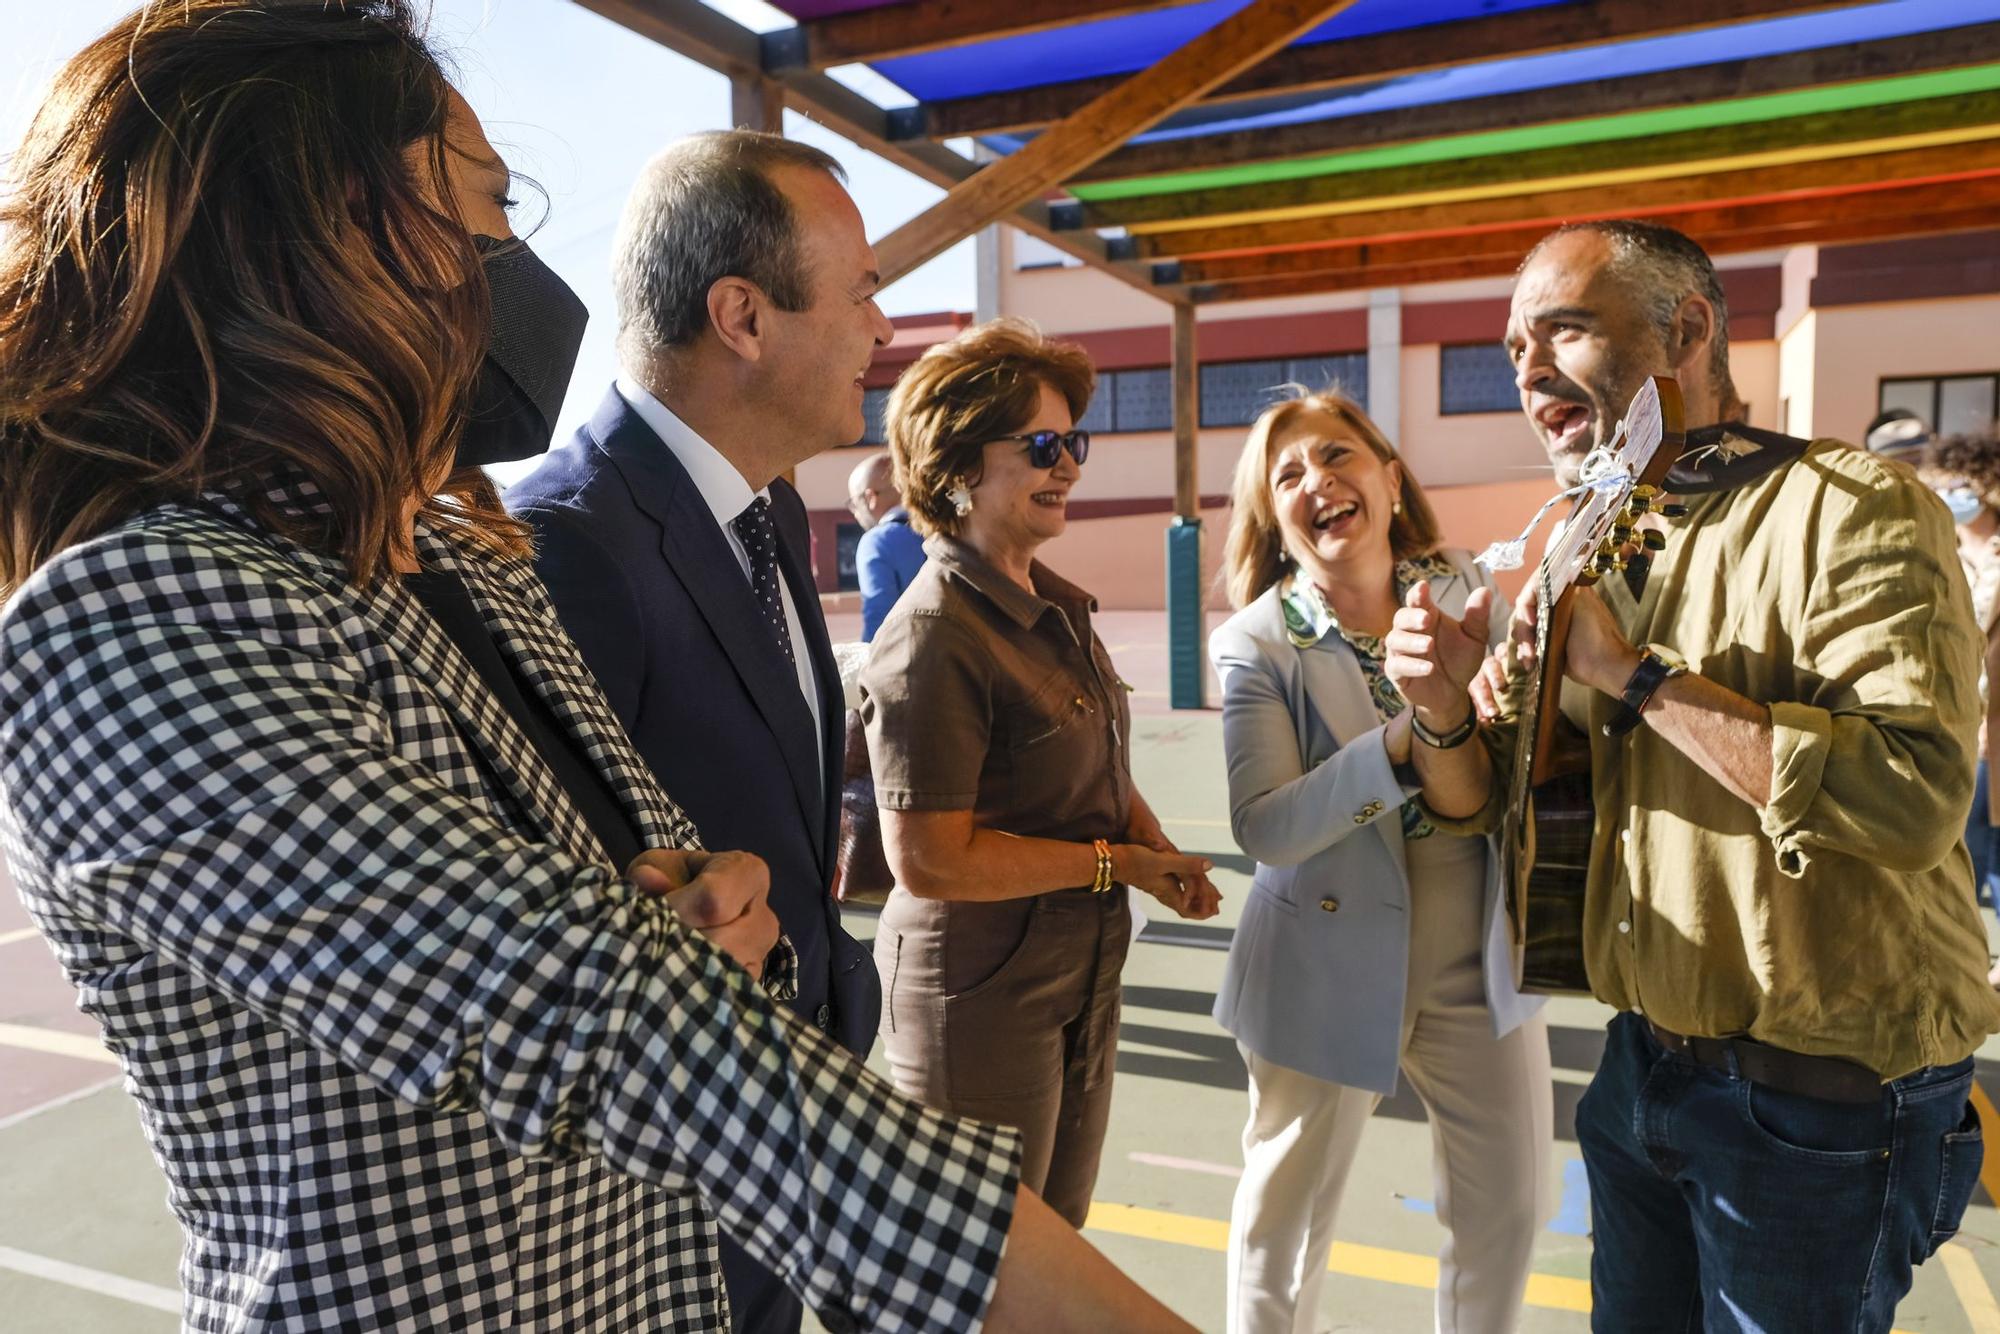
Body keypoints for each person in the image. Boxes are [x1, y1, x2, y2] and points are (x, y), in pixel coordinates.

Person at [0, 6, 1198, 1331]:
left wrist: (685, 910)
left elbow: (614, 913)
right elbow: (609, 1019)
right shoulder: (136, 617)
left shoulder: (453, 558)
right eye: (483, 210)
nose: (515, 266)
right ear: (321, 243)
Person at [1395, 219, 2000, 1330]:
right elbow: (1503, 813)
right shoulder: (1590, 537)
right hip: (1638, 1070)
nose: (1525, 369)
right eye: (1508, 348)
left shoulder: (1850, 502)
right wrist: (1449, 711)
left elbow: (1914, 797)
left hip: (1813, 1104)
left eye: (1560, 330)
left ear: (1684, 327)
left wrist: (1631, 678)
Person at [505, 129, 884, 1333]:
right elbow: (562, 936)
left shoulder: (763, 503)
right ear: (743, 316)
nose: (882, 328)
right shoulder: (568, 541)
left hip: (778, 1138)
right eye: (862, 292)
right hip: (668, 1205)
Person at [860, 317, 1221, 1229]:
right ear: (957, 465)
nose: (1069, 466)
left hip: (1077, 970)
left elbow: (1087, 764)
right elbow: (931, 863)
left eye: (1075, 443)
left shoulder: (1047, 604)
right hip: (979, 992)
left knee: (1055, 1237)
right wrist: (1119, 866)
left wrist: (1155, 849)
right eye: (1044, 446)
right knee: (987, 1265)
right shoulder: (935, 634)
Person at [1209, 390, 1551, 1334]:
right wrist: (1403, 745)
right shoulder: (1256, 643)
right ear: (1273, 522)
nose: (1318, 481)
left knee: (1509, 1211)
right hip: (1321, 957)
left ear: (1390, 479)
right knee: (1287, 1228)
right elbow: (1265, 826)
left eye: (1337, 456)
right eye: (1287, 477)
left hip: (1475, 948)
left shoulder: (1471, 586)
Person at [1922, 432, 2000, 955]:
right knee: (1961, 851)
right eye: (1944, 484)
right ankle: (1965, 953)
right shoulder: (1938, 550)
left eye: (1963, 484)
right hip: (1953, 719)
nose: (1953, 494)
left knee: (1990, 850)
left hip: (1992, 727)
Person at [849, 450, 927, 641]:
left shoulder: (877, 542)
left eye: (854, 502)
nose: (854, 512)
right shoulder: (946, 527)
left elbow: (878, 621)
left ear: (870, 498)